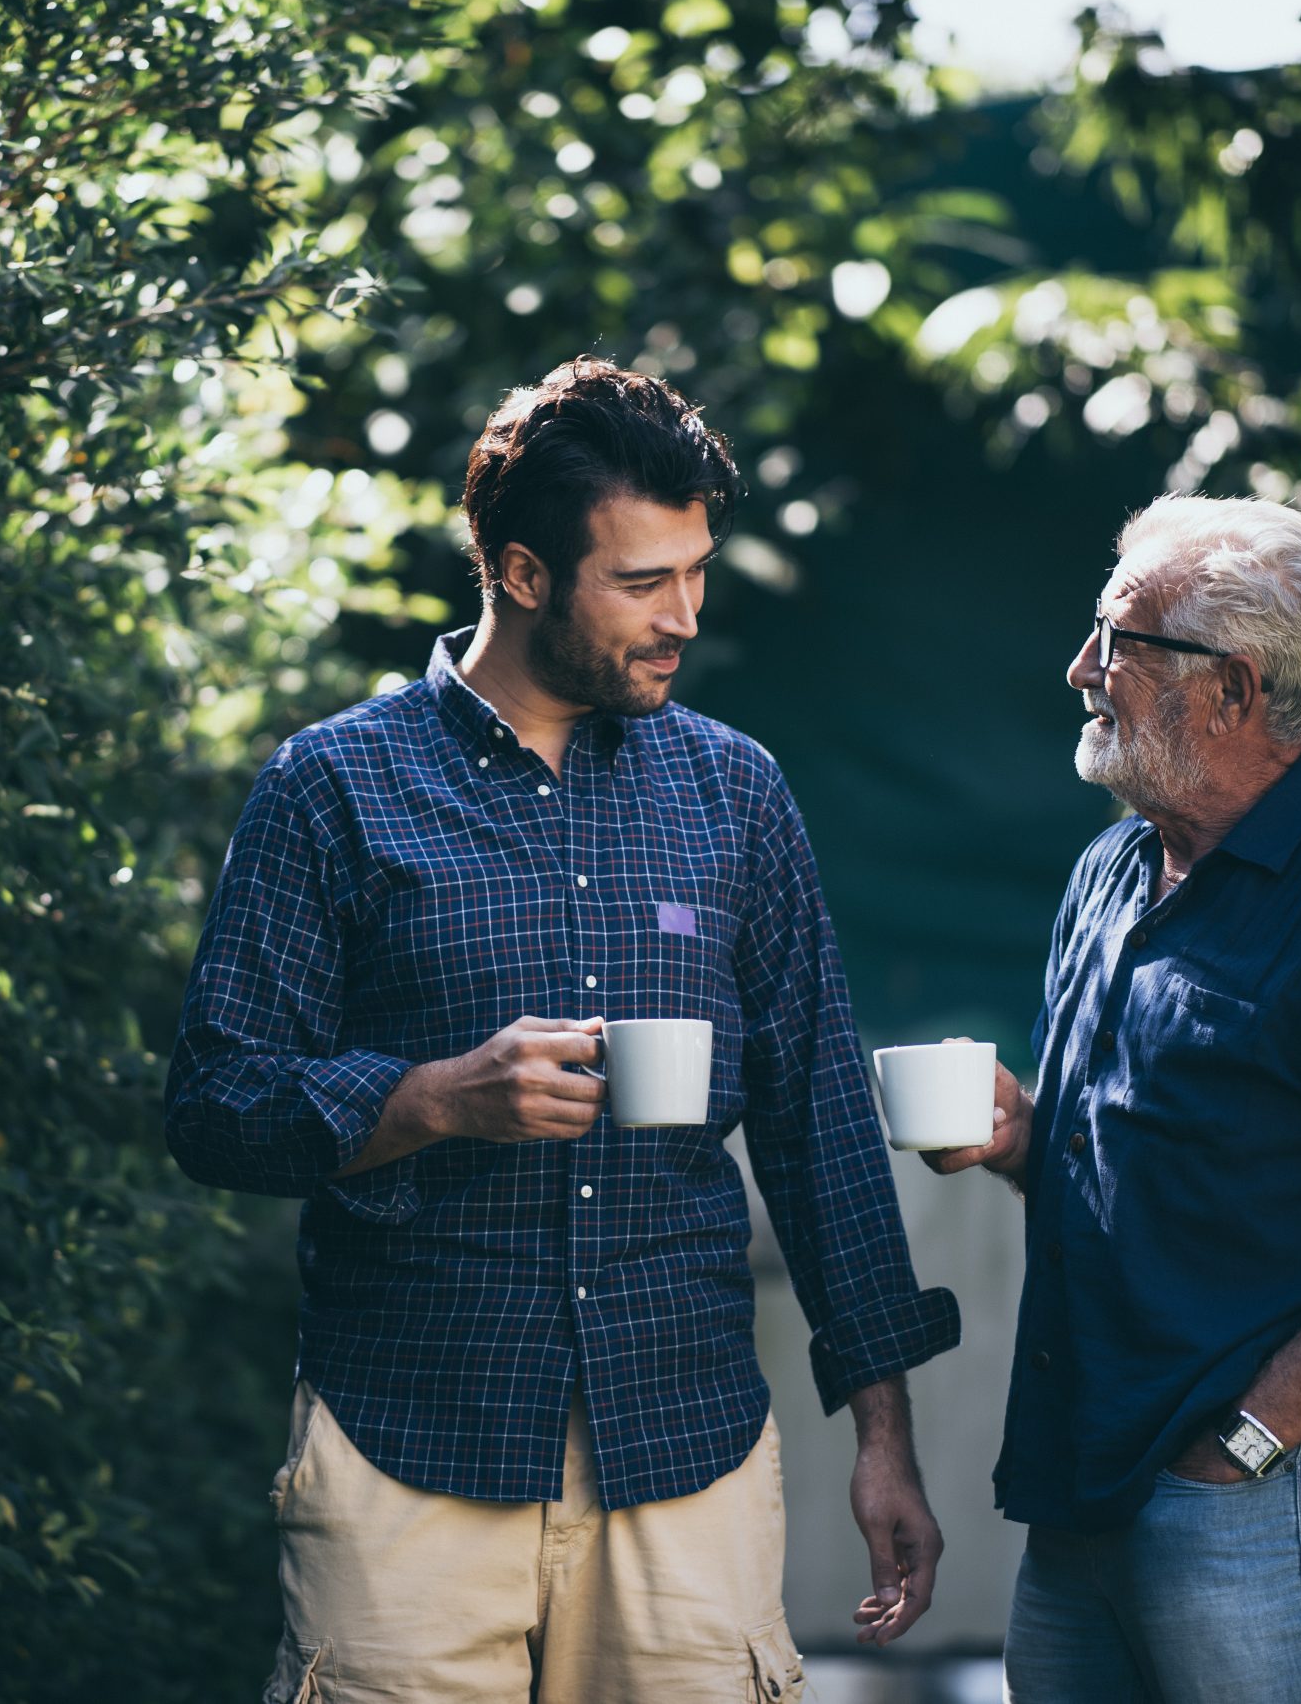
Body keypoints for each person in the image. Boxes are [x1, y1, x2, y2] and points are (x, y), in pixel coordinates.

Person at [165, 357, 959, 1703]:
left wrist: (885, 1431)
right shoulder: (332, 789)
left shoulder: (735, 793)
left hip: (686, 1451)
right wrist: (431, 1098)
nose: (684, 617)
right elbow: (214, 1103)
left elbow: (818, 1117)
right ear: (522, 573)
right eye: (643, 584)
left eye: (697, 571)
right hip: (410, 1445)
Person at [904, 495, 1301, 1702]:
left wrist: (1243, 1443)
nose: (1080, 668)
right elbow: (1158, 1158)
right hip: (1079, 1493)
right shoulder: (1109, 865)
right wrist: (1025, 1132)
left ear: (1232, 689)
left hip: (1258, 1498)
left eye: (1117, 642)